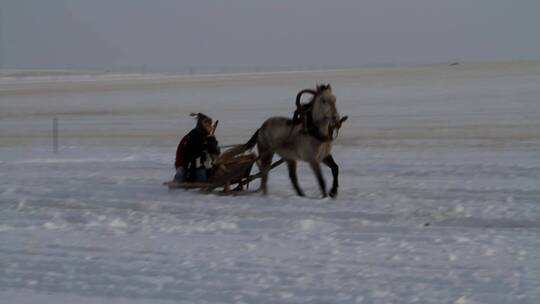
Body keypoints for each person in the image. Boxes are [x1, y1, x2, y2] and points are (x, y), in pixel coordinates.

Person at [174, 113, 220, 183]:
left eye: (209, 125)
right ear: (201, 124)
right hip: (190, 164)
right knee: (200, 175)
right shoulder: (194, 135)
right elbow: (193, 153)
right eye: (206, 124)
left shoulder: (209, 136)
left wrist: (211, 140)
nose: (209, 126)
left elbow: (215, 152)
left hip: (205, 163)